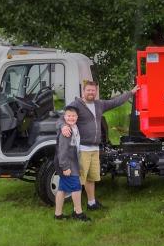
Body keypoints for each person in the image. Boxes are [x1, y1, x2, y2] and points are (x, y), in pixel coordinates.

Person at [60, 81, 139, 210]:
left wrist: (131, 93)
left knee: (91, 178)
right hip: (83, 149)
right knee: (79, 180)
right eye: (88, 90)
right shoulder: (76, 105)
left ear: (96, 92)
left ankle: (92, 203)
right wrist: (63, 126)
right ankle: (77, 210)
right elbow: (61, 118)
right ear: (83, 91)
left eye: (93, 90)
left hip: (95, 149)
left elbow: (116, 102)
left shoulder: (99, 104)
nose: (91, 92)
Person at [54, 106, 90, 221]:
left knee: (62, 189)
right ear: (64, 117)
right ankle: (78, 214)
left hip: (71, 161)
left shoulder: (74, 127)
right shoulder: (67, 131)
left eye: (73, 116)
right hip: (67, 163)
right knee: (76, 187)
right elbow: (62, 150)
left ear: (77, 117)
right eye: (68, 116)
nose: (71, 118)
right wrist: (65, 167)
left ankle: (58, 215)